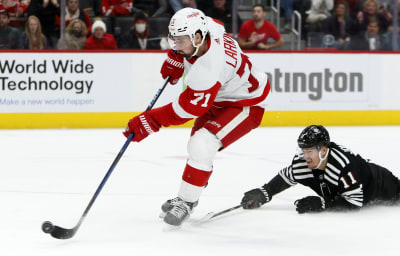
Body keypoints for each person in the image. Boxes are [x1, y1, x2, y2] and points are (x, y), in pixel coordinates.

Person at [123, 7, 271, 226]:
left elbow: (186, 110)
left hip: (246, 103)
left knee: (201, 145)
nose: (177, 45)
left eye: (181, 41)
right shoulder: (207, 26)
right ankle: (188, 193)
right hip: (221, 95)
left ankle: (187, 201)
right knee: (197, 150)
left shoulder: (209, 69)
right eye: (174, 40)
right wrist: (176, 56)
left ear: (198, 37)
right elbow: (214, 23)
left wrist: (150, 120)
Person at [241, 125, 400, 214]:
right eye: (303, 151)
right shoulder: (304, 163)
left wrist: (323, 203)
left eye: (309, 151)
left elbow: (355, 203)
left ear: (323, 150)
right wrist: (265, 192)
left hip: (379, 182)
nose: (305, 157)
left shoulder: (344, 168)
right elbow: (286, 176)